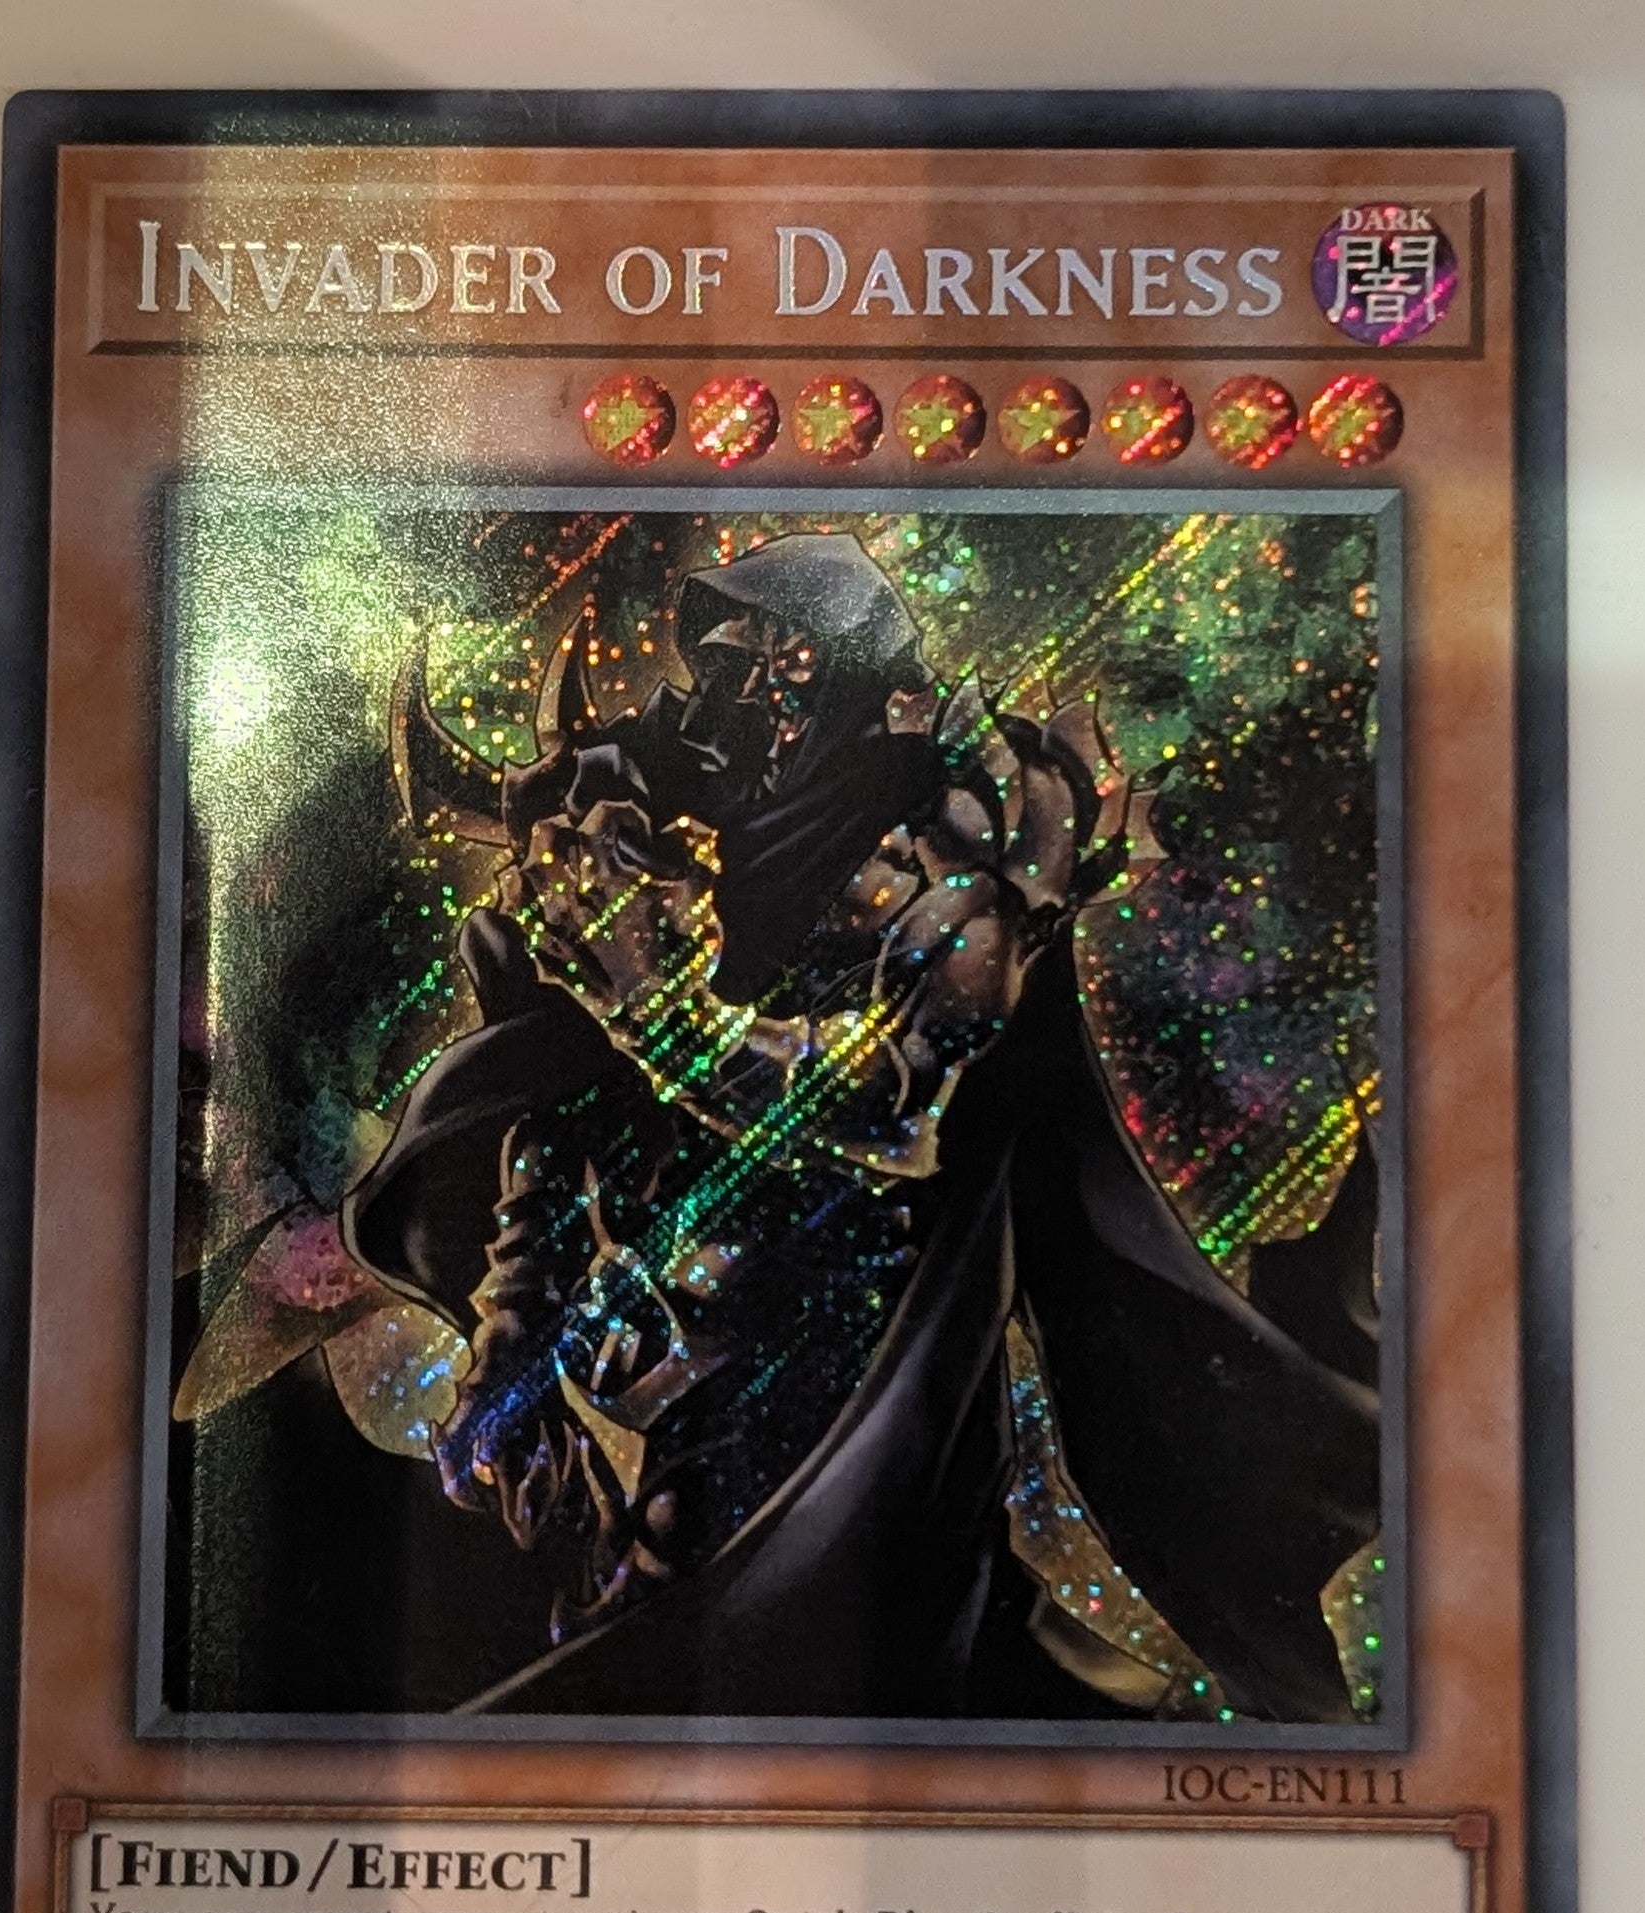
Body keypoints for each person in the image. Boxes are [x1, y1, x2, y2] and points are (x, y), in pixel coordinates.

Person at [344, 534, 1378, 1722]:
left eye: (765, 663)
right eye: (719, 664)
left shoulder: (955, 857)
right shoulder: (684, 858)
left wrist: (651, 1006)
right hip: (670, 1349)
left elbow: (887, 1112)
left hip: (850, 1339)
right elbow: (561, 1101)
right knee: (683, 1651)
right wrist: (513, 1338)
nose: (732, 700)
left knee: (750, 1642)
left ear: (829, 673)